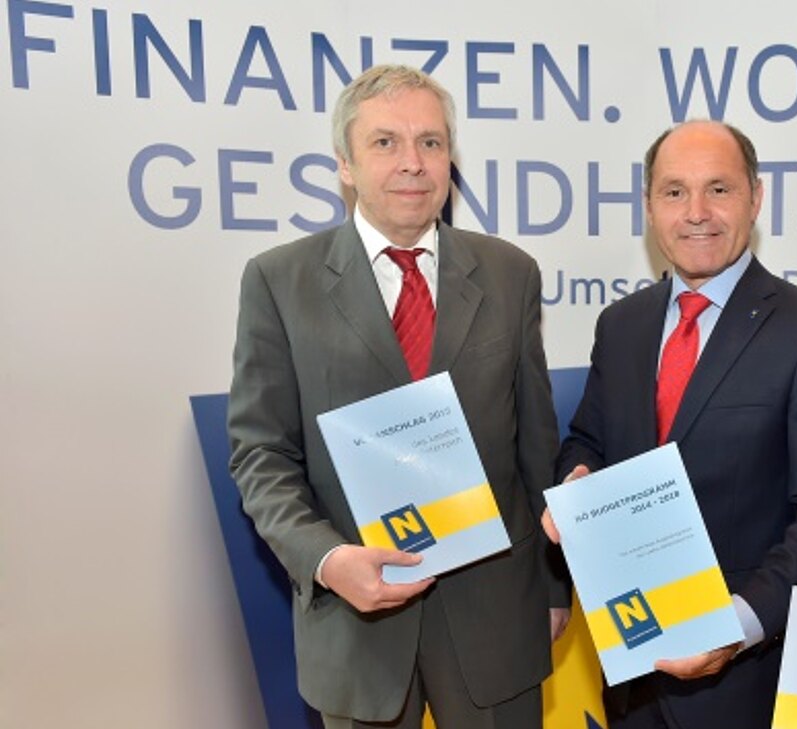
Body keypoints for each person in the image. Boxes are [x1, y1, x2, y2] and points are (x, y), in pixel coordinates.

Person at [227, 64, 565, 729]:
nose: (413, 162)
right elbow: (260, 454)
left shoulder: (511, 274)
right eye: (385, 142)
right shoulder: (279, 282)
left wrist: (555, 587)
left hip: (496, 616)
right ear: (345, 165)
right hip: (357, 625)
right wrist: (327, 560)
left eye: (430, 142)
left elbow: (536, 446)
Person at [545, 120, 797, 728]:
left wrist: (739, 623)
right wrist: (577, 478)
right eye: (674, 192)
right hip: (631, 666)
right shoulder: (621, 324)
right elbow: (588, 440)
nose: (696, 212)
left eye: (719, 189)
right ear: (649, 206)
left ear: (756, 198)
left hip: (747, 680)